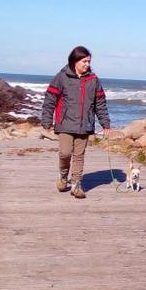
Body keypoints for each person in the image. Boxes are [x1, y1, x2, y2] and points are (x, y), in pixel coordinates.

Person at [40, 46, 110, 199]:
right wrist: (46, 120)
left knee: (79, 155)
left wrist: (105, 123)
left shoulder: (93, 79)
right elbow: (50, 99)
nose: (87, 64)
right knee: (65, 153)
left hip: (85, 125)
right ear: (75, 61)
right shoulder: (61, 77)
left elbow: (100, 103)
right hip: (65, 123)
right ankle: (63, 176)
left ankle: (76, 185)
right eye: (84, 61)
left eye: (89, 61)